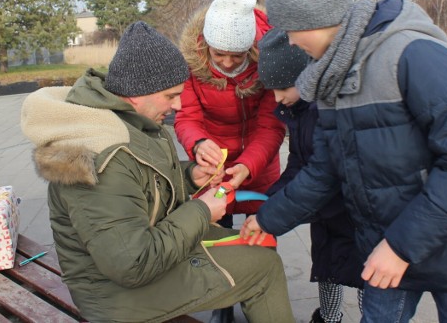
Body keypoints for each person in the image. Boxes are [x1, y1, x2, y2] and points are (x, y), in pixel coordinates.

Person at [241, 0, 447, 323]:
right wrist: (269, 217)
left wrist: (401, 247)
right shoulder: (330, 77)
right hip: (386, 245)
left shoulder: (414, 54)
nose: (288, 41)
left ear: (313, 15)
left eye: (290, 30)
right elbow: (325, 169)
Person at [20, 21, 295, 323]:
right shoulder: (102, 155)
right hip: (113, 296)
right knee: (264, 267)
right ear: (138, 93)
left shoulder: (128, 122)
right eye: (170, 95)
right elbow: (132, 263)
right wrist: (202, 210)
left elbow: (141, 182)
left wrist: (190, 177)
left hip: (126, 269)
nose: (178, 105)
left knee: (250, 247)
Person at [258, 27, 364, 323]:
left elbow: (324, 176)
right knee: (328, 268)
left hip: (351, 213)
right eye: (272, 90)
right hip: (324, 217)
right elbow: (298, 164)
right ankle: (329, 318)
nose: (277, 97)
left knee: (364, 274)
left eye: (283, 88)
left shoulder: (325, 111)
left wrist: (283, 212)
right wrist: (269, 200)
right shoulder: (297, 112)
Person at [175, 0, 286, 227]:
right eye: (218, 54)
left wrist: (249, 165)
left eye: (237, 56)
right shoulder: (192, 65)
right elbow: (187, 117)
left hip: (259, 165)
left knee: (260, 245)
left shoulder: (270, 61)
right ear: (207, 46)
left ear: (250, 48)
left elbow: (271, 125)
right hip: (213, 169)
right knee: (215, 244)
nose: (226, 63)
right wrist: (199, 143)